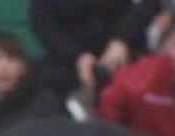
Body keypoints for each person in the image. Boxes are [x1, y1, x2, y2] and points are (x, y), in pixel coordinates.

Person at [29, 0, 157, 99]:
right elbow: (43, 25)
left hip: (126, 50)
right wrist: (77, 56)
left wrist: (122, 39)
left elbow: (149, 4)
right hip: (70, 59)